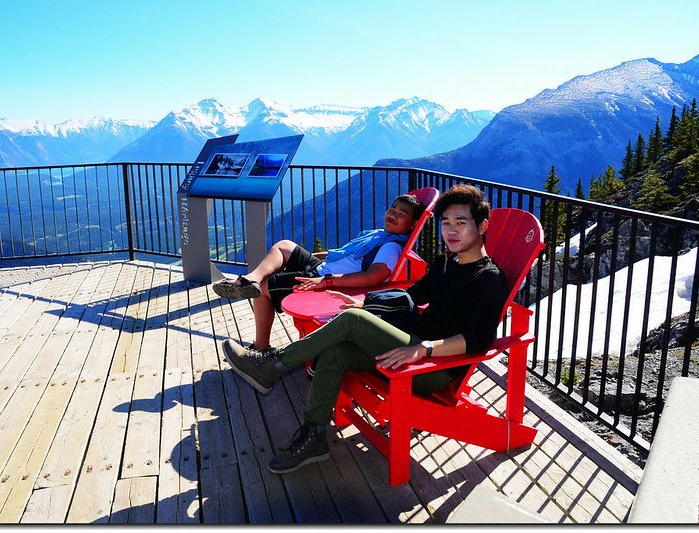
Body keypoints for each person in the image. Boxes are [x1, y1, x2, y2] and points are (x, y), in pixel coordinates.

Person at [222, 184, 509, 474]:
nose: (451, 231)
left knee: (352, 322)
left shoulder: (489, 278)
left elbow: (479, 339)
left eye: (461, 223)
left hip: (435, 367)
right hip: (412, 342)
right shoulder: (447, 261)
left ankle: (272, 365)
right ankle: (314, 435)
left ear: (483, 226)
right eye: (446, 223)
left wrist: (424, 348)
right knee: (337, 353)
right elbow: (415, 294)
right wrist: (368, 306)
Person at [214, 193, 424, 353]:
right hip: (323, 269)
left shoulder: (391, 247)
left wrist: (327, 281)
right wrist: (311, 255)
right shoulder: (378, 235)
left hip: (327, 280)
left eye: (401, 214)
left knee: (266, 286)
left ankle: (261, 348)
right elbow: (343, 254)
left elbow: (373, 277)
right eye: (392, 209)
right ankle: (251, 278)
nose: (393, 215)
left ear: (413, 224)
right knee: (285, 246)